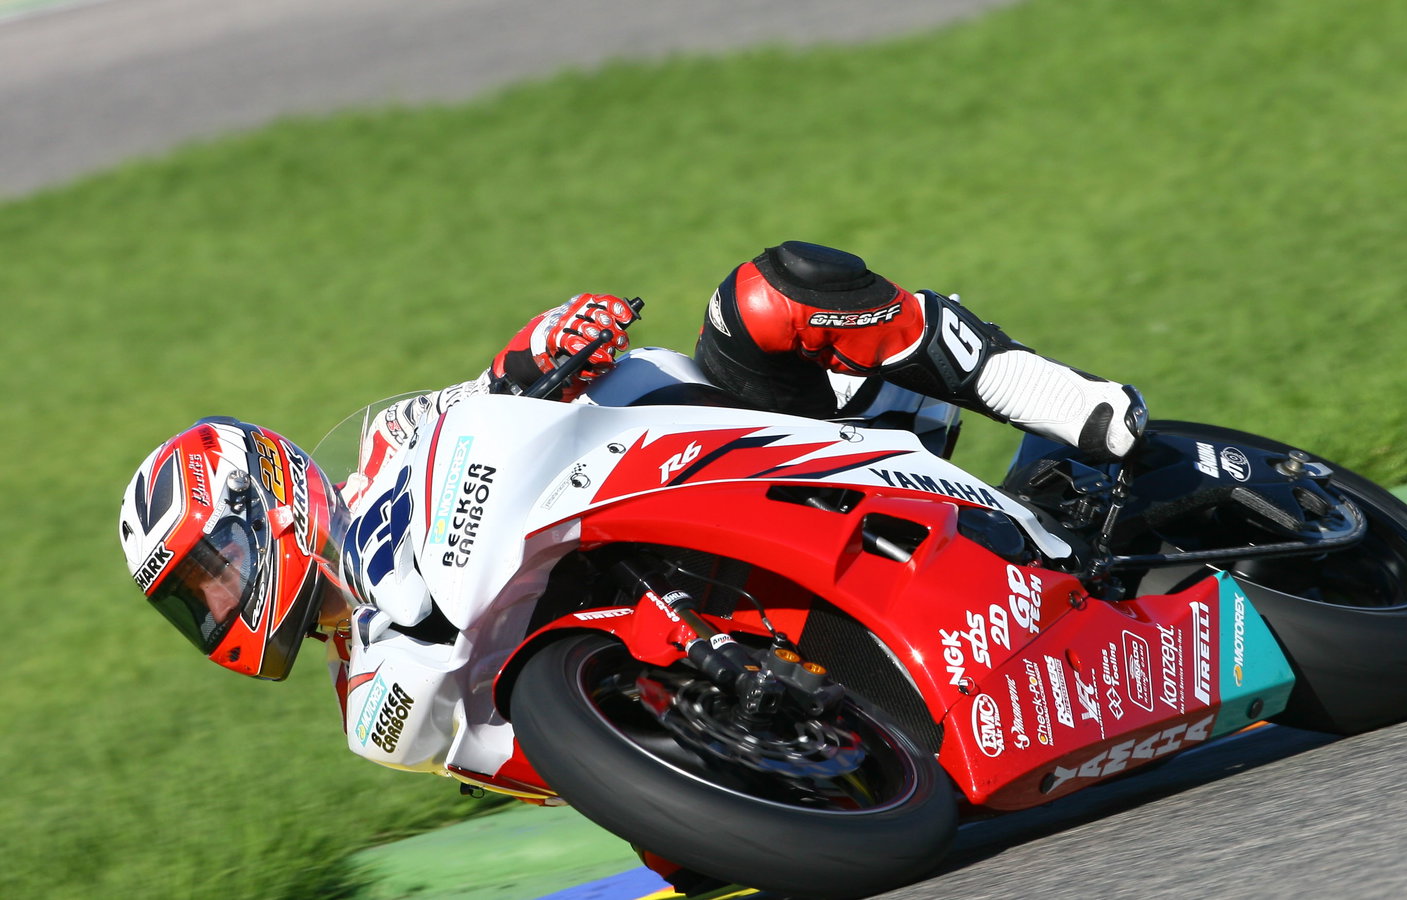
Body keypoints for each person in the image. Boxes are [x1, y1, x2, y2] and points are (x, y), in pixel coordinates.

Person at [116, 239, 1145, 774]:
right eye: (193, 602)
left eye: (212, 570)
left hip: (726, 443)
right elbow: (512, 754)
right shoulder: (369, 702)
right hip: (680, 626)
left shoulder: (393, 441)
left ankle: (1064, 402)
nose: (216, 608)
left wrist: (537, 352)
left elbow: (493, 400)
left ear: (267, 501)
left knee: (764, 291)